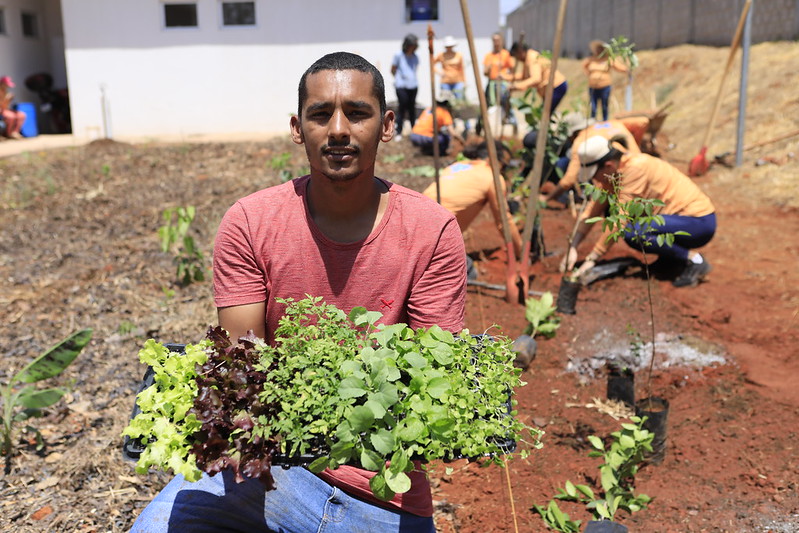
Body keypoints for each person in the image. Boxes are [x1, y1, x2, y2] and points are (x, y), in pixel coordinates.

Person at [131, 51, 466, 533]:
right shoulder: (251, 222)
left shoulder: (431, 230)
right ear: (297, 128)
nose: (337, 130)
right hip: (265, 472)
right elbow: (246, 368)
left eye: (356, 112)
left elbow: (434, 373)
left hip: (381, 492)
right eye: (319, 114)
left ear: (387, 124)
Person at [561, 135, 716, 288]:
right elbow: (592, 211)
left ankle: (694, 260)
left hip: (698, 222)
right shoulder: (615, 172)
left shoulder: (635, 169)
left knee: (633, 232)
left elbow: (619, 220)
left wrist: (591, 259)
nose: (595, 180)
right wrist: (573, 247)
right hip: (677, 220)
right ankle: (670, 260)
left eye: (594, 175)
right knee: (629, 221)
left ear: (608, 166)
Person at [422, 140, 523, 276]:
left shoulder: (457, 165)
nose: (503, 170)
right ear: (493, 159)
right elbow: (504, 221)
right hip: (431, 234)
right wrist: (520, 253)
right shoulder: (493, 178)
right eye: (504, 165)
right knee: (468, 271)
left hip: (413, 218)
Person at [540, 115, 650, 205]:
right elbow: (643, 122)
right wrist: (636, 144)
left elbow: (569, 179)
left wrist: (547, 198)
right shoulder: (614, 122)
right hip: (641, 164)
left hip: (625, 176)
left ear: (573, 134)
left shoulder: (580, 141)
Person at [508, 43, 568, 114]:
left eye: (516, 56)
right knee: (544, 115)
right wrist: (507, 77)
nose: (517, 59)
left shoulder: (532, 58)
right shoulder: (528, 58)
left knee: (544, 114)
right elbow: (524, 76)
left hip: (556, 86)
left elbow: (536, 79)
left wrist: (518, 86)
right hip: (549, 88)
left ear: (520, 52)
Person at [582, 40, 629, 120]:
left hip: (604, 87)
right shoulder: (591, 59)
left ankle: (605, 121)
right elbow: (584, 66)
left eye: (600, 49)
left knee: (604, 106)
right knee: (593, 107)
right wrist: (590, 75)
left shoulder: (608, 59)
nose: (598, 51)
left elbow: (618, 67)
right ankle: (592, 121)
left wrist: (627, 69)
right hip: (593, 87)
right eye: (597, 49)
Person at [391, 34, 420, 142]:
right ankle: (399, 131)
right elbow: (393, 69)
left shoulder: (415, 57)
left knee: (412, 108)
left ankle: (414, 130)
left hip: (413, 86)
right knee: (402, 107)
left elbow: (414, 70)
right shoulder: (398, 55)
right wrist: (399, 79)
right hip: (401, 86)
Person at [434, 36, 465, 101]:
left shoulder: (458, 55)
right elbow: (432, 64)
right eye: (448, 46)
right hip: (445, 81)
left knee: (459, 100)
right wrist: (438, 72)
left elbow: (461, 68)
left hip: (457, 81)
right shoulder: (441, 55)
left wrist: (464, 81)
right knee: (446, 100)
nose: (449, 48)